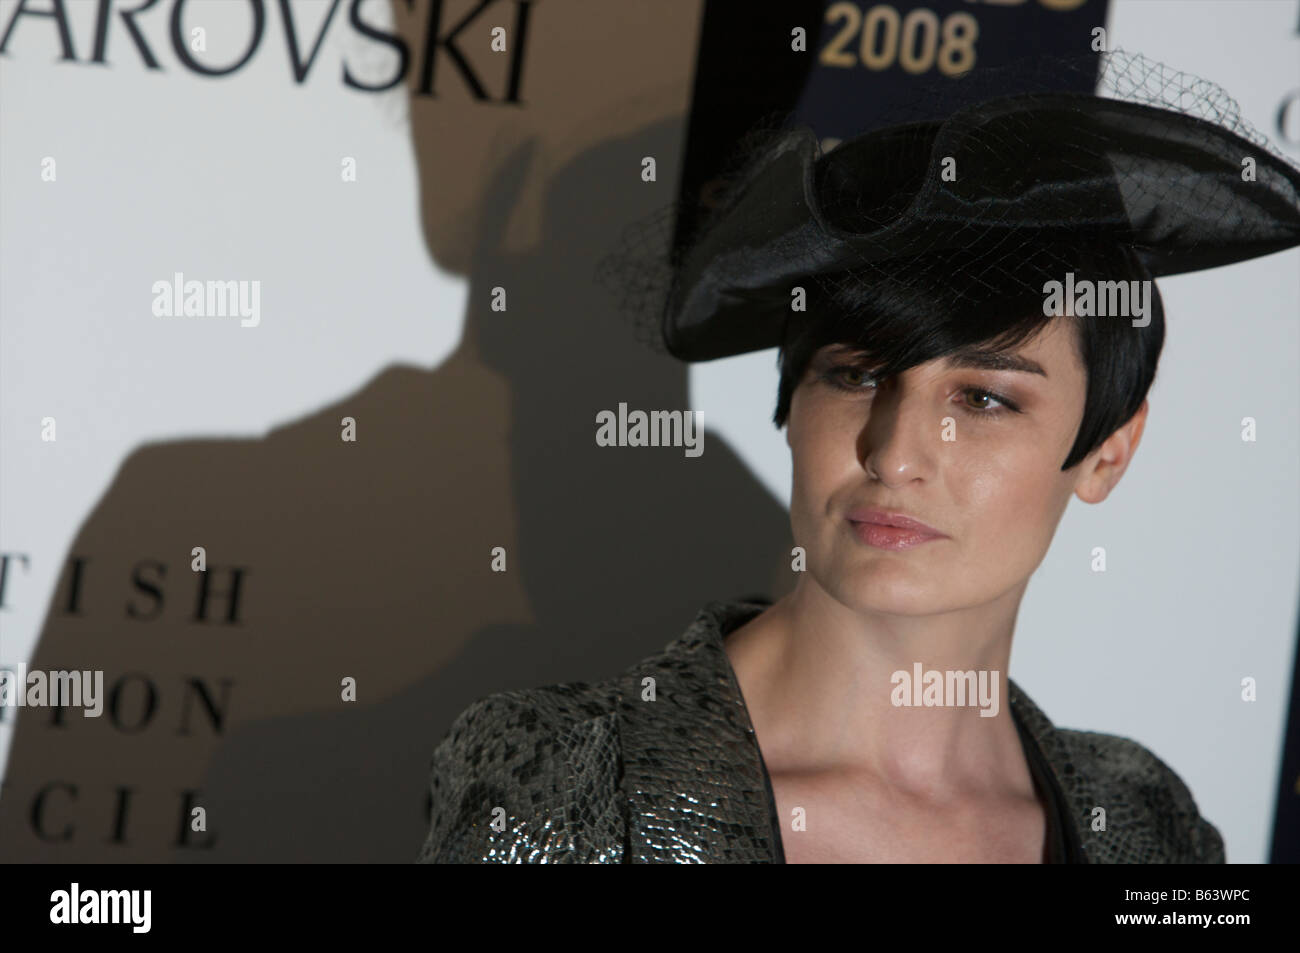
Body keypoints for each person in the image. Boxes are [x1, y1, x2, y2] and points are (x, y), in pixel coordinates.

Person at [417, 51, 1300, 863]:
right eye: (858, 374)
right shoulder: (570, 783)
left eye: (985, 398)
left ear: (1108, 451)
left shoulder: (1148, 824)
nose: (896, 451)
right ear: (788, 401)